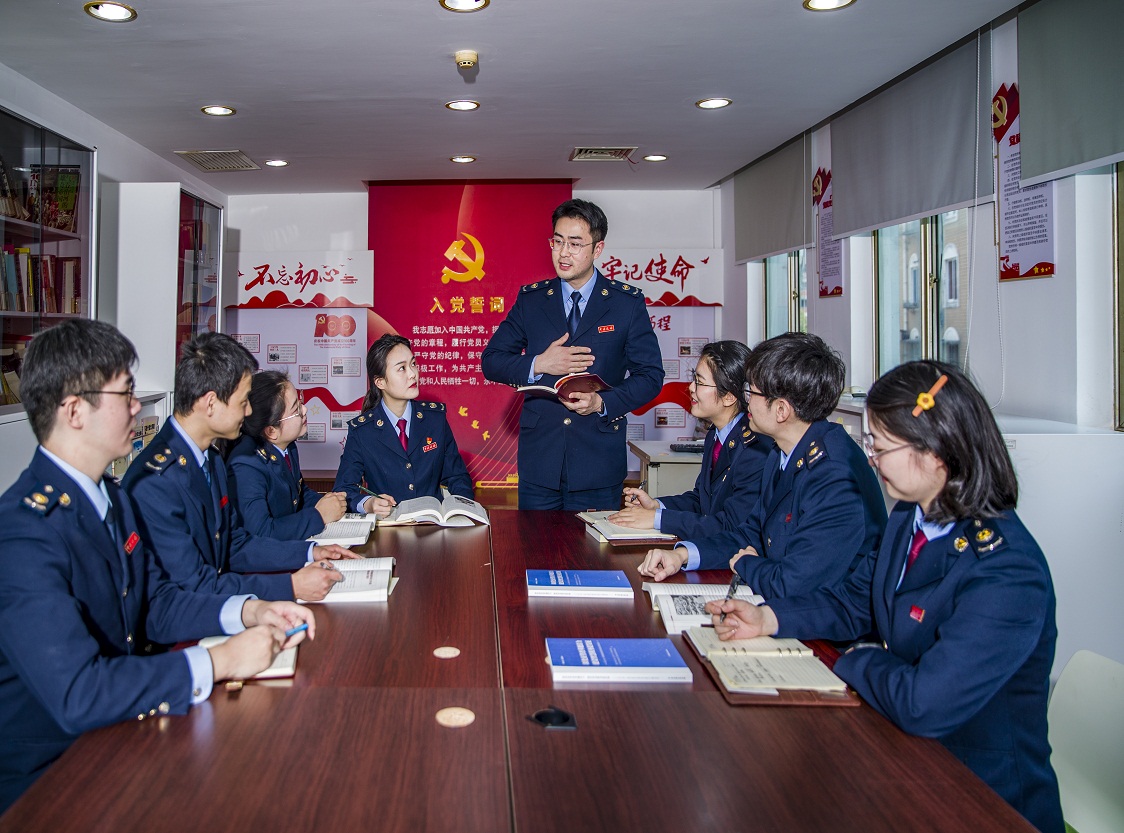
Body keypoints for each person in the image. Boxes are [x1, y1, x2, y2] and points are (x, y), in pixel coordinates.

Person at [705, 361, 1063, 832]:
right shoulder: (910, 516)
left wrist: (856, 656)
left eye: (880, 446)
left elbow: (923, 704)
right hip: (902, 754)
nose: (871, 458)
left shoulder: (1006, 571)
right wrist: (768, 618)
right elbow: (855, 601)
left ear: (935, 454)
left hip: (979, 796)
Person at [0, 319, 314, 813]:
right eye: (124, 394)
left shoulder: (111, 497)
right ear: (74, 411)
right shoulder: (23, 532)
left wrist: (251, 611)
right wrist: (220, 662)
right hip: (50, 779)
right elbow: (78, 693)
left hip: (120, 732)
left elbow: (157, 604)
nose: (137, 407)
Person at [639, 332, 886, 600]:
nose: (746, 400)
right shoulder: (782, 450)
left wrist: (748, 563)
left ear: (781, 410)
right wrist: (682, 555)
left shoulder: (834, 474)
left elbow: (796, 583)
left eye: (751, 392)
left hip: (825, 617)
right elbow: (750, 533)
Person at [124, 333, 353, 603]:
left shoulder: (210, 459)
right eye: (243, 402)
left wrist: (310, 552)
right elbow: (191, 586)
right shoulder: (154, 481)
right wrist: (289, 586)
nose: (248, 413)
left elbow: (235, 543)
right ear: (211, 403)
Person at [481, 198, 664, 510]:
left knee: (593, 543)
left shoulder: (625, 304)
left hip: (598, 462)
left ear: (598, 248)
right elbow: (492, 361)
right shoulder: (532, 300)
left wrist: (602, 403)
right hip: (540, 464)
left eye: (575, 244)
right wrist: (540, 363)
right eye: (558, 241)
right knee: (534, 541)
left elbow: (650, 376)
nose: (563, 252)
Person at [608, 340, 772, 539]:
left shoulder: (754, 450)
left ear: (729, 396)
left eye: (700, 382)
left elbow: (732, 525)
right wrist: (656, 506)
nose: (691, 388)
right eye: (694, 378)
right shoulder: (715, 435)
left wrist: (657, 519)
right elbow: (700, 501)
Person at [335, 334, 473, 517]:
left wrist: (461, 512)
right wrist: (368, 503)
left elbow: (457, 477)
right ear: (380, 382)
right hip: (387, 526)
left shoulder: (435, 420)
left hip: (432, 524)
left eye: (413, 364)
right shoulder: (362, 431)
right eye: (402, 368)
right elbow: (343, 490)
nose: (412, 374)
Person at [227, 371, 347, 539]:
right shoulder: (246, 465)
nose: (305, 409)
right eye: (296, 409)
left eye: (300, 402)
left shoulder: (287, 446)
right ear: (271, 431)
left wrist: (331, 502)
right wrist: (319, 516)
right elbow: (262, 533)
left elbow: (298, 494)